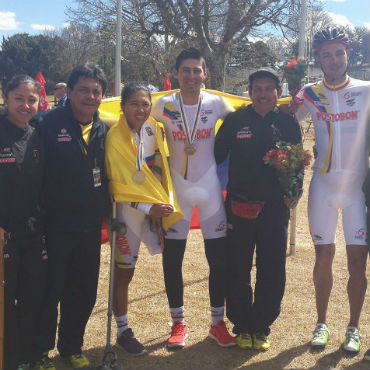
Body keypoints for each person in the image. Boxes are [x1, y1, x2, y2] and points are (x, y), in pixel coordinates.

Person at [151, 47, 236, 348]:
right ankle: (178, 323)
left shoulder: (216, 102)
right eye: (185, 70)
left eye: (196, 70)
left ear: (204, 73)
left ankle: (217, 323)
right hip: (178, 194)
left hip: (210, 189)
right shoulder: (162, 105)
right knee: (173, 261)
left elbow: (246, 119)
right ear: (175, 73)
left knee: (219, 260)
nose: (190, 76)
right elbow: (133, 119)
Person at [294, 27, 370, 353]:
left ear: (347, 54)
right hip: (323, 188)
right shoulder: (308, 94)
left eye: (339, 53)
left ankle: (353, 328)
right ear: (318, 58)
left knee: (357, 263)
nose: (334, 59)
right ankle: (321, 324)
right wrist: (290, 158)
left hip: (357, 191)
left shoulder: (366, 90)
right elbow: (277, 117)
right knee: (323, 257)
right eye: (327, 54)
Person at [214, 68, 302, 351]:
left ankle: (262, 326)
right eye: (257, 89)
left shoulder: (288, 123)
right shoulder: (236, 120)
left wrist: (293, 193)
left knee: (272, 268)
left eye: (269, 89)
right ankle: (242, 325)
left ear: (278, 92)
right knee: (238, 267)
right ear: (250, 92)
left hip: (276, 208)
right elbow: (213, 155)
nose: (263, 94)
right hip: (240, 206)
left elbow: (298, 164)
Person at [33, 63, 110, 370]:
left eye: (96, 91)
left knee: (83, 290)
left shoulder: (104, 127)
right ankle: (39, 351)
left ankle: (71, 346)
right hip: (54, 226)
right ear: (71, 92)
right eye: (83, 90)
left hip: (89, 227)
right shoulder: (46, 124)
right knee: (49, 291)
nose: (90, 97)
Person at [105, 83, 182, 355]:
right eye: (134, 103)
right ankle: (123, 330)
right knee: (123, 273)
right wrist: (149, 209)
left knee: (139, 270)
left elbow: (162, 169)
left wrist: (162, 204)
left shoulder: (155, 129)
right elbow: (116, 184)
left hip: (153, 210)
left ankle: (178, 321)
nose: (140, 109)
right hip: (126, 214)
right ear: (123, 106)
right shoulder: (114, 135)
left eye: (145, 104)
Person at [0, 75, 47, 370]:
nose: (25, 105)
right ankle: (7, 358)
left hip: (33, 234)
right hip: (3, 235)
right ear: (6, 98)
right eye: (19, 98)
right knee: (6, 300)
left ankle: (30, 356)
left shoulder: (38, 134)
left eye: (31, 99)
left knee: (32, 297)